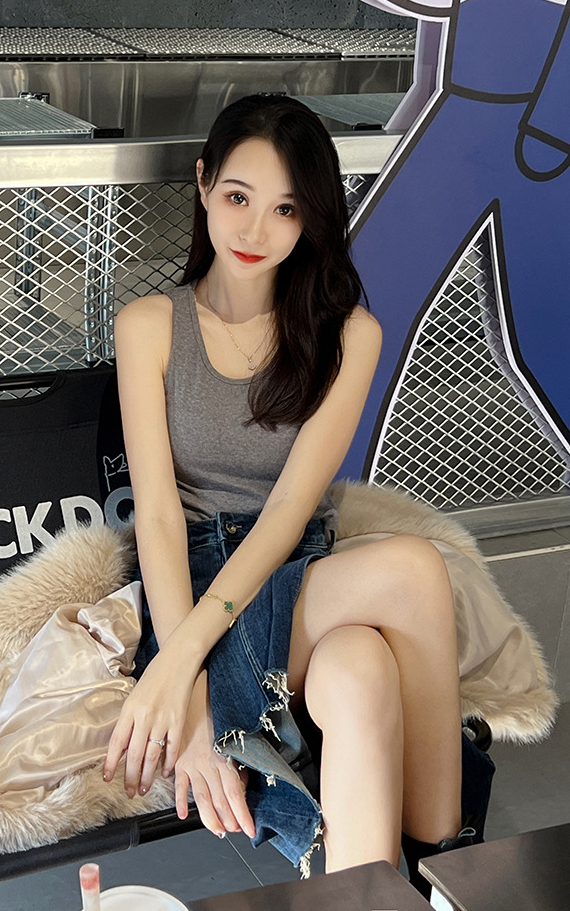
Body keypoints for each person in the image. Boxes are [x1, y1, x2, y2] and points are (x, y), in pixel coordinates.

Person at [102, 93, 476, 880]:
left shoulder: (348, 336)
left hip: (292, 568)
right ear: (203, 183)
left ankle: (400, 884)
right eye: (238, 197)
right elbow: (159, 519)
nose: (254, 231)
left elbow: (285, 515)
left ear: (310, 219)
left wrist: (181, 666)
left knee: (359, 667)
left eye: (285, 209)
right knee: (410, 575)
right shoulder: (149, 325)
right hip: (189, 586)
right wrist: (180, 673)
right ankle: (448, 856)